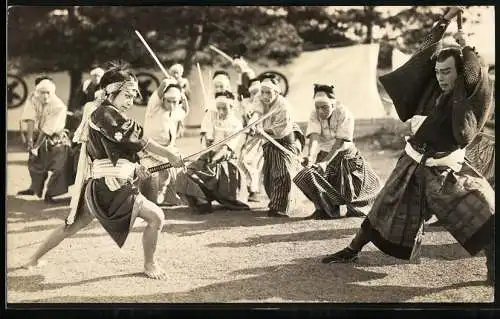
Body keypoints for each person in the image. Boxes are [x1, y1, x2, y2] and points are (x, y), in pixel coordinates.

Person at [322, 7, 495, 286]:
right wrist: (444, 21)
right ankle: (351, 250)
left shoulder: (466, 93)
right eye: (438, 72)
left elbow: (476, 73)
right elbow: (425, 51)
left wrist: (466, 46)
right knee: (382, 207)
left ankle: (494, 269)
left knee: (485, 212)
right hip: (412, 161)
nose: (441, 77)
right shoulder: (432, 88)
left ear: (459, 72)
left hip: (446, 169)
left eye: (447, 72)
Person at [22, 64, 185, 280]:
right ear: (110, 92)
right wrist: (169, 155)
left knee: (71, 227)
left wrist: (135, 168)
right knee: (157, 217)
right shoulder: (105, 114)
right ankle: (150, 264)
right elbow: (140, 140)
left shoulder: (106, 114)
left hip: (104, 184)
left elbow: (113, 153)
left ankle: (33, 259)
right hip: (108, 185)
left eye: (133, 96)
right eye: (127, 95)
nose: (131, 101)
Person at [293, 84, 381, 220]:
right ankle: (324, 210)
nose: (320, 111)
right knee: (305, 176)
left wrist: (326, 162)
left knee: (352, 191)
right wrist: (310, 157)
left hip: (345, 155)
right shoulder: (314, 114)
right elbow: (314, 137)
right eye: (317, 107)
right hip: (323, 154)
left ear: (333, 105)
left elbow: (340, 142)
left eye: (324, 107)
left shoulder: (344, 113)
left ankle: (355, 209)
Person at [175, 90, 250, 214]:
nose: (220, 112)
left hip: (225, 162)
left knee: (224, 190)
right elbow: (206, 142)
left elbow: (226, 149)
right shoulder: (211, 117)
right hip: (208, 157)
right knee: (183, 175)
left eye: (224, 108)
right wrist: (206, 155)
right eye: (218, 108)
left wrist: (211, 163)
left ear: (232, 107)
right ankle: (202, 200)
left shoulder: (236, 124)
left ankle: (219, 195)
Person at [248, 74, 305, 218]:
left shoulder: (284, 106)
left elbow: (279, 131)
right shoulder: (259, 98)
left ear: (277, 92)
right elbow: (256, 113)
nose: (265, 96)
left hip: (284, 141)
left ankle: (278, 207)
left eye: (269, 92)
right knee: (269, 176)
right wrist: (252, 125)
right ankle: (276, 201)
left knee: (283, 174)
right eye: (263, 92)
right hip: (268, 142)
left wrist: (260, 131)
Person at [17, 77, 73, 203]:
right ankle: (35, 189)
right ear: (38, 92)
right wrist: (30, 140)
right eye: (42, 92)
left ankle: (51, 194)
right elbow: (30, 119)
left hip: (57, 139)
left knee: (59, 167)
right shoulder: (33, 99)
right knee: (35, 163)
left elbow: (47, 129)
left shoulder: (59, 106)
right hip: (41, 137)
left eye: (48, 92)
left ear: (52, 93)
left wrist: (36, 146)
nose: (45, 95)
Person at [141, 79, 187, 206]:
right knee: (152, 174)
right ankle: (151, 200)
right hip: (150, 150)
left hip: (169, 150)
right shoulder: (154, 108)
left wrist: (181, 94)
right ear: (163, 99)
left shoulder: (176, 111)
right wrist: (167, 82)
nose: (171, 105)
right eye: (168, 101)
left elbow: (185, 111)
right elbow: (159, 92)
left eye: (175, 102)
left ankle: (169, 196)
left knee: (178, 170)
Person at [238, 77, 265, 202]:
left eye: (258, 92)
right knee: (243, 161)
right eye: (253, 93)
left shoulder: (265, 104)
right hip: (250, 138)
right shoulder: (246, 105)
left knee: (254, 163)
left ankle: (254, 191)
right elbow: (243, 123)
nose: (256, 95)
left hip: (263, 138)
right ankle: (251, 189)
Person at [200, 70, 233, 147]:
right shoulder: (211, 103)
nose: (218, 89)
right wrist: (208, 135)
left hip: (227, 134)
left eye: (221, 86)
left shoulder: (231, 102)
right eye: (216, 86)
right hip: (213, 136)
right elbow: (207, 123)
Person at [168, 63, 190, 138]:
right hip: (173, 103)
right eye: (173, 73)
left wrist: (182, 89)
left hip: (181, 102)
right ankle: (171, 133)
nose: (175, 75)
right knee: (171, 118)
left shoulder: (184, 81)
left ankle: (179, 133)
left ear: (181, 73)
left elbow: (187, 92)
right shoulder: (169, 81)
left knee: (180, 118)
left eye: (177, 73)